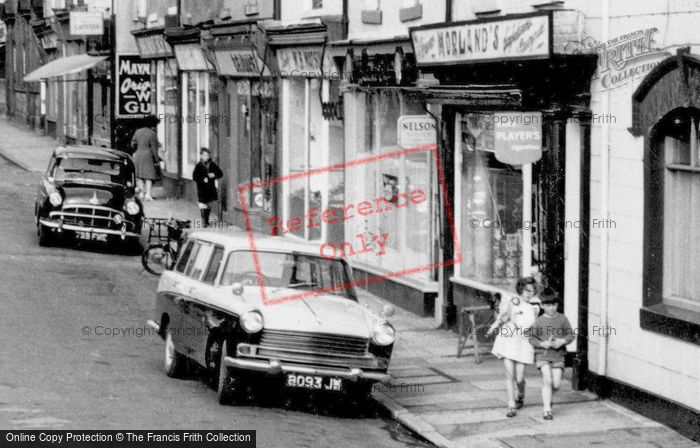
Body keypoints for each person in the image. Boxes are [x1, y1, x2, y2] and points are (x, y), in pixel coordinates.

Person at [487, 276, 540, 417]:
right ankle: (511, 405)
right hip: (509, 341)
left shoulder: (534, 308)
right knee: (509, 374)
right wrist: (494, 326)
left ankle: (520, 394)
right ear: (520, 290)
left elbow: (532, 328)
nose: (529, 293)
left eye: (532, 291)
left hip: (523, 344)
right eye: (526, 290)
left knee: (520, 378)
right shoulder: (513, 302)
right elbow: (504, 317)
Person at [528, 292, 575, 420]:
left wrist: (562, 341)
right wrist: (542, 343)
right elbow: (531, 338)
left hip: (558, 355)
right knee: (547, 380)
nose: (551, 308)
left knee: (556, 384)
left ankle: (548, 398)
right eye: (548, 305)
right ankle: (547, 409)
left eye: (554, 305)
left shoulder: (562, 319)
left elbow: (570, 335)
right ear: (542, 306)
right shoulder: (539, 321)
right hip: (543, 356)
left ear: (557, 305)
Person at [130, 115, 161, 201]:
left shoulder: (138, 132)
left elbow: (132, 144)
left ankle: (141, 194)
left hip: (138, 155)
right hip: (148, 156)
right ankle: (148, 194)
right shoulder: (152, 133)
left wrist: (137, 149)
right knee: (149, 177)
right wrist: (157, 160)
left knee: (139, 176)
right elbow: (154, 148)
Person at [193, 148, 223, 228]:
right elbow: (195, 177)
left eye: (207, 155)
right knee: (203, 204)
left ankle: (206, 219)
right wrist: (202, 179)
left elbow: (220, 173)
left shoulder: (212, 164)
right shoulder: (198, 166)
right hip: (202, 188)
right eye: (204, 155)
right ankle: (204, 222)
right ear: (201, 156)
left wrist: (214, 175)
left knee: (209, 204)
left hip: (210, 188)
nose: (206, 157)